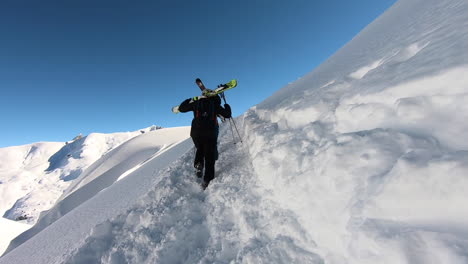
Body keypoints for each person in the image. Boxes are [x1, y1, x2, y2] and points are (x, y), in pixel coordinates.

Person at [178, 82, 232, 189]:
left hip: (195, 133)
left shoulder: (196, 103)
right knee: (209, 156)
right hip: (210, 133)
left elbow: (181, 108)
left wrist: (190, 99)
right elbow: (227, 114)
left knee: (200, 148)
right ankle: (207, 180)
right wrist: (226, 105)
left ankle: (198, 164)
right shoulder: (215, 104)